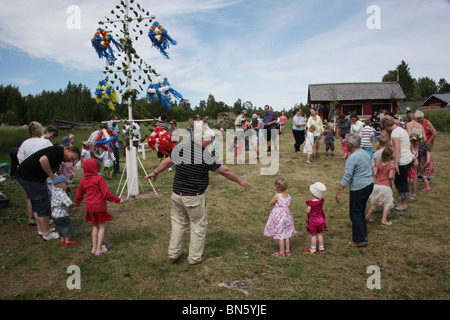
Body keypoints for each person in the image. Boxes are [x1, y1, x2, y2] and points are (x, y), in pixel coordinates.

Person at [144, 126, 251, 265]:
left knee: (178, 223)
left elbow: (167, 161)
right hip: (193, 196)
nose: (211, 143)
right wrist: (240, 180)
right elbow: (225, 171)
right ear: (204, 140)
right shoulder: (205, 155)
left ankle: (173, 254)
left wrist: (155, 172)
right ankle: (195, 258)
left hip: (176, 194)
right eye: (210, 140)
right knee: (198, 226)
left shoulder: (181, 148)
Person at [16, 145, 80, 241]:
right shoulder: (58, 152)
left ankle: (41, 230)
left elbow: (42, 168)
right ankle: (47, 234)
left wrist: (45, 183)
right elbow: (43, 160)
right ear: (68, 150)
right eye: (71, 158)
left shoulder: (57, 152)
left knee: (37, 204)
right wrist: (52, 176)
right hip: (30, 177)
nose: (69, 161)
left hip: (29, 176)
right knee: (43, 204)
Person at [74, 159, 124, 256]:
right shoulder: (99, 179)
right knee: (101, 226)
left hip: (89, 207)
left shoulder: (83, 180)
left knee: (94, 226)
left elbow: (79, 194)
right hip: (99, 207)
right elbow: (106, 194)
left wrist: (76, 202)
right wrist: (118, 200)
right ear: (95, 168)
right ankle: (99, 248)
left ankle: (93, 247)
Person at [335, 133, 374, 248]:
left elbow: (347, 176)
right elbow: (372, 169)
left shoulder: (352, 157)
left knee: (355, 214)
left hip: (359, 188)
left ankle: (359, 240)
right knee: (361, 211)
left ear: (350, 145)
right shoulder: (365, 154)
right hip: (369, 185)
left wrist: (339, 191)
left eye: (346, 143)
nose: (345, 145)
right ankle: (361, 234)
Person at [17, 122, 54, 227]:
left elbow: (21, 159)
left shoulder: (24, 143)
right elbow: (51, 157)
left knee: (31, 196)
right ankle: (44, 221)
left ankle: (32, 217)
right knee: (43, 197)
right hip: (42, 173)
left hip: (28, 174)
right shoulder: (45, 142)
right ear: (40, 130)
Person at [381, 115, 414, 212]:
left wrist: (395, 164)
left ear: (386, 125)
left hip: (403, 161)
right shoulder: (400, 129)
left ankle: (404, 205)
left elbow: (397, 149)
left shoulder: (395, 133)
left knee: (401, 182)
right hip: (407, 158)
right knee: (398, 181)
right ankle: (403, 201)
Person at [264, 177, 296, 257]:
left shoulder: (277, 196)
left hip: (279, 217)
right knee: (287, 235)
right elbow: (287, 204)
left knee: (280, 235)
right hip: (287, 216)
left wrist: (274, 204)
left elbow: (271, 204)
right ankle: (288, 251)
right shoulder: (288, 195)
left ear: (277, 188)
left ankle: (281, 252)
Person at [365, 148, 395, 226]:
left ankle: (367, 217)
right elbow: (390, 176)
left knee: (375, 203)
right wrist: (393, 177)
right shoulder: (391, 166)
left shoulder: (378, 164)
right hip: (385, 187)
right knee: (387, 204)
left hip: (377, 186)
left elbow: (374, 174)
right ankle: (383, 220)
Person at [51, 175, 76, 246]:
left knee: (60, 227)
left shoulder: (54, 191)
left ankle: (62, 240)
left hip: (55, 215)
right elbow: (68, 202)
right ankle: (67, 241)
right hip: (62, 215)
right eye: (66, 184)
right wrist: (75, 203)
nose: (68, 186)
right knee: (67, 227)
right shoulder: (61, 193)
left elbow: (53, 185)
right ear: (60, 185)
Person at [304, 182, 327, 254]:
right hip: (321, 220)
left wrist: (308, 213)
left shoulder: (311, 203)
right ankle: (321, 247)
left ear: (313, 193)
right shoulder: (321, 201)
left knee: (313, 235)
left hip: (314, 221)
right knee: (319, 233)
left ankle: (313, 249)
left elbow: (308, 211)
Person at [408, 134, 421, 199]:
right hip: (416, 161)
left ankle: (409, 191)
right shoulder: (416, 147)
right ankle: (414, 191)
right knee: (414, 175)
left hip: (411, 161)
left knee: (410, 177)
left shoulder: (411, 147)